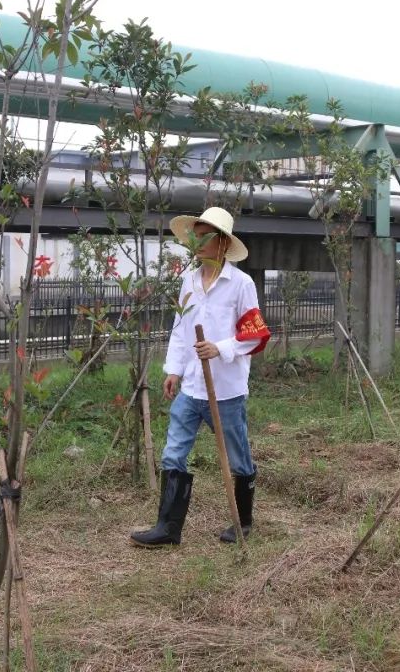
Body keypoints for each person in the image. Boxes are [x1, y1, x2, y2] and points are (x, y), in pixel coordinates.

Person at [130, 206, 270, 548]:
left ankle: (243, 521)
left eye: (205, 236)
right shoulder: (188, 281)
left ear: (223, 242)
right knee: (173, 451)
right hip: (192, 386)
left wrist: (219, 348)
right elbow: (180, 329)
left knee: (238, 457)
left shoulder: (241, 284)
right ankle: (168, 528)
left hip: (226, 390)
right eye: (195, 236)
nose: (197, 242)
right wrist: (174, 370)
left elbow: (254, 334)